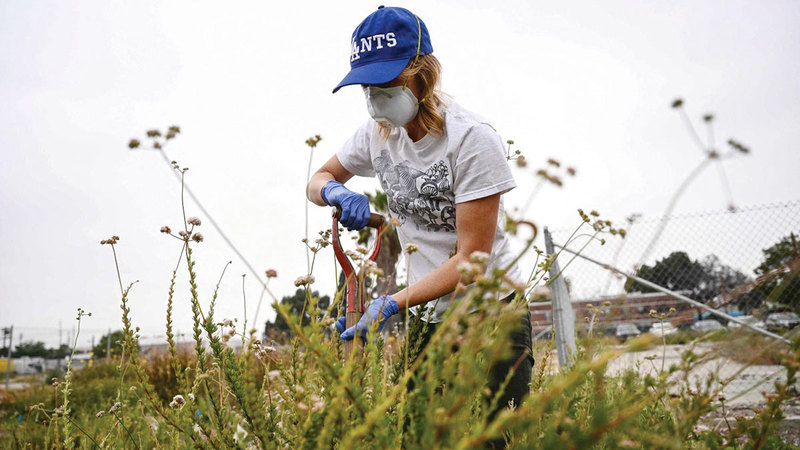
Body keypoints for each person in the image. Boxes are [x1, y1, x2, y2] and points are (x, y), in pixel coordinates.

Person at [306, 5, 533, 424]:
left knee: (490, 437)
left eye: (386, 82)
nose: (375, 96)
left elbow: (472, 260)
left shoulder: (470, 139)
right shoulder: (377, 134)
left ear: (421, 74)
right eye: (367, 85)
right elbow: (316, 180)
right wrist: (334, 191)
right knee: (420, 434)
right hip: (427, 316)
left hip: (489, 314)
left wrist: (390, 303)